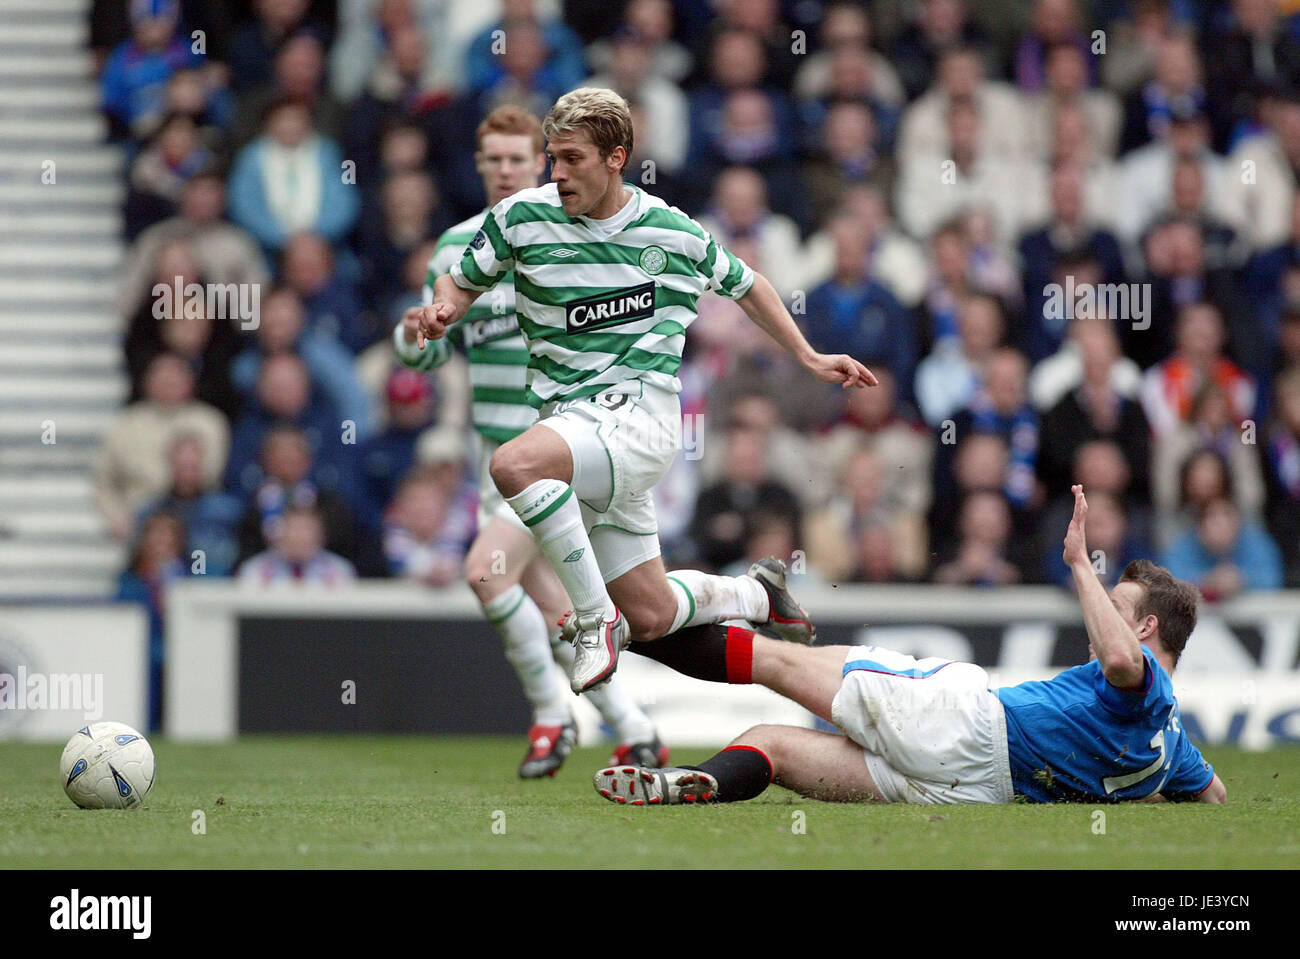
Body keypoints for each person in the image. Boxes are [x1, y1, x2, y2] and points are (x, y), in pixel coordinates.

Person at [414, 88, 876, 696]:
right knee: (653, 614)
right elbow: (459, 280)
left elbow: (748, 283)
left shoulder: (670, 230)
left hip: (640, 415)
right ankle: (755, 592)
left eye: (572, 158)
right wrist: (443, 309)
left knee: (514, 463)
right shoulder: (521, 218)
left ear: (615, 157)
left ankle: (593, 619)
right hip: (573, 427)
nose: (557, 173)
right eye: (552, 158)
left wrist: (808, 355)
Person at [590, 486, 1226, 808]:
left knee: (775, 659)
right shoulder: (1171, 746)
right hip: (973, 790)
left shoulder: (1142, 681)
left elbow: (1119, 660)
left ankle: (634, 625)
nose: (1101, 624)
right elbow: (1215, 796)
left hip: (962, 721)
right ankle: (685, 786)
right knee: (775, 746)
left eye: (1117, 611)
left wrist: (1080, 567)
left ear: (1146, 631)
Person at [395, 105, 670, 777]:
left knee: (485, 573)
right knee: (556, 611)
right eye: (495, 161)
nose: (508, 170)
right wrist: (411, 337)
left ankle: (552, 717)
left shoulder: (578, 234)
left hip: (555, 446)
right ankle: (636, 730)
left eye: (521, 158)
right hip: (494, 455)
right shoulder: (458, 248)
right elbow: (430, 357)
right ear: (482, 166)